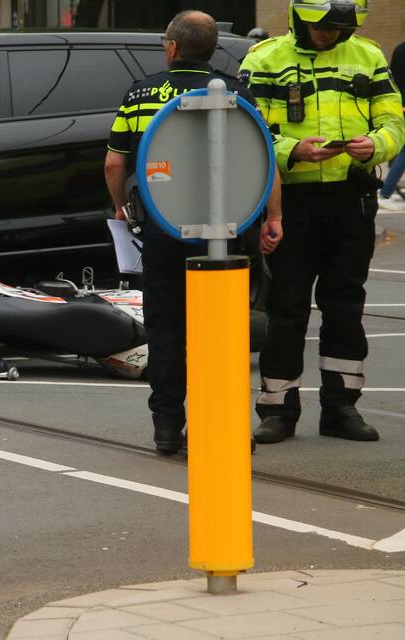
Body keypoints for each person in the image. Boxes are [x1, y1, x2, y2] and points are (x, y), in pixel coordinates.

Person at [104, 10, 284, 454]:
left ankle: (167, 428)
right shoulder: (238, 93)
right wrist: (272, 216)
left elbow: (114, 163)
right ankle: (223, 424)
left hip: (165, 228)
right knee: (221, 332)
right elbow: (263, 159)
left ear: (171, 47)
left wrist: (120, 206)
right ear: (212, 49)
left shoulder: (141, 92)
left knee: (166, 331)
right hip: (226, 230)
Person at [241, 0, 404, 443]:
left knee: (346, 306)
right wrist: (294, 150)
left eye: (338, 28)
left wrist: (376, 145)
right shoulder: (265, 59)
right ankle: (277, 410)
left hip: (351, 198)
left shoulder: (367, 56)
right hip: (291, 201)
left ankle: (341, 408)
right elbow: (247, 127)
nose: (330, 35)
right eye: (322, 28)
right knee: (287, 308)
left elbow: (394, 121)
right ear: (299, 18)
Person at [377, 40, 405, 212]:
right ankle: (385, 192)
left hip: (399, 102)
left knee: (401, 143)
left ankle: (387, 190)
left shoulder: (400, 48)